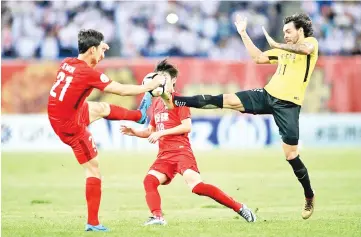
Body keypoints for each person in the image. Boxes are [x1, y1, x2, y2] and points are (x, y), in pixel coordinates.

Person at [170, 13, 317, 220]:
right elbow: (258, 58)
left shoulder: (310, 43)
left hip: (289, 105)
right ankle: (178, 100)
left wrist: (278, 45)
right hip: (267, 96)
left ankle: (309, 196)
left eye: (288, 32)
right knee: (228, 100)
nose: (285, 36)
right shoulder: (283, 50)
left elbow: (305, 49)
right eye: (283, 32)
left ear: (300, 31)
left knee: (291, 155)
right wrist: (243, 33)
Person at [47, 29, 165, 232]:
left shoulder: (67, 63)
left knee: (100, 108)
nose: (103, 54)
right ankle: (92, 223)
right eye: (101, 50)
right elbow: (120, 89)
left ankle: (140, 116)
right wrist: (151, 86)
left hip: (63, 115)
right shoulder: (87, 73)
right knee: (94, 169)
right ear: (92, 50)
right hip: (70, 127)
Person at [120, 59, 256, 226]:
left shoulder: (180, 100)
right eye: (158, 79)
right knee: (149, 181)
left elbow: (187, 126)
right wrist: (134, 132)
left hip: (181, 150)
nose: (160, 83)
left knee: (197, 187)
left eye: (164, 80)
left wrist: (162, 132)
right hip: (164, 155)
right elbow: (151, 131)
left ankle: (240, 207)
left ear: (173, 81)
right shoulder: (156, 104)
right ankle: (157, 217)